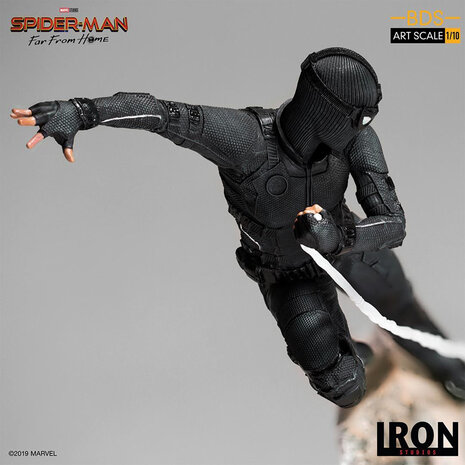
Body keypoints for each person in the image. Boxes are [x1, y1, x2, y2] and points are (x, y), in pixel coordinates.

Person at [11, 47, 464, 407]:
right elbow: (162, 114)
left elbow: (394, 224)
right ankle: (351, 355)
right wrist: (84, 111)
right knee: (342, 383)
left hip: (348, 248)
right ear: (327, 111)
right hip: (288, 273)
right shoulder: (246, 140)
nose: (366, 126)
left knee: (401, 307)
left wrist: (342, 238)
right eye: (360, 116)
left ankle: (449, 369)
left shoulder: (356, 140)